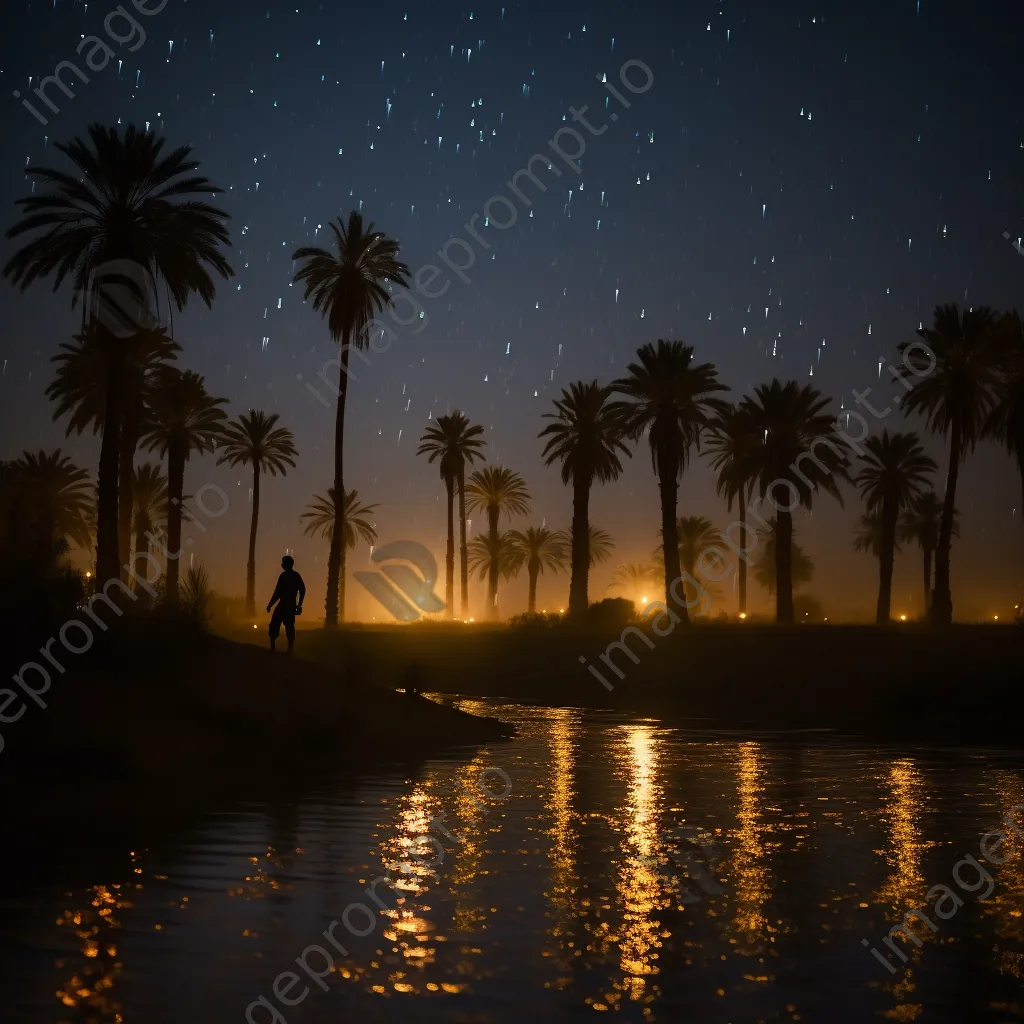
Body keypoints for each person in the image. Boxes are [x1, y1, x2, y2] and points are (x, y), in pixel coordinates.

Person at [267, 555, 305, 653]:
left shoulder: (284, 576)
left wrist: (270, 604)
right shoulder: (296, 576)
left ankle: (273, 648)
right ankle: (289, 648)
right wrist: (299, 605)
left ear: (285, 564)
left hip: (283, 605)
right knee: (289, 627)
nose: (281, 564)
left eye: (283, 562)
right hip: (291, 605)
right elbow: (302, 590)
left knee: (275, 625)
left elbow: (277, 592)